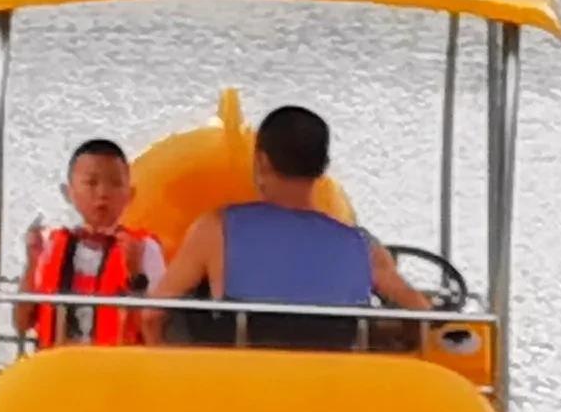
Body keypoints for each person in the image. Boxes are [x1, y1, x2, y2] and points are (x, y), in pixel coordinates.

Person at [150, 103, 431, 348]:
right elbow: (420, 316)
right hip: (332, 391)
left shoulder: (216, 229)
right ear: (323, 168)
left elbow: (152, 314)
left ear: (261, 161)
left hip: (239, 390)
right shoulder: (363, 248)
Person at [22, 138, 164, 348]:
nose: (103, 194)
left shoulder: (145, 249)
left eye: (115, 184)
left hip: (116, 370)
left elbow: (156, 334)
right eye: (91, 183)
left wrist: (136, 276)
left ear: (130, 194)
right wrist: (32, 261)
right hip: (56, 367)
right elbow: (22, 323)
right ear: (69, 193)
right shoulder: (51, 246)